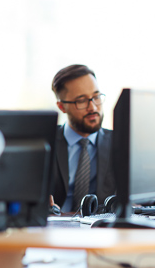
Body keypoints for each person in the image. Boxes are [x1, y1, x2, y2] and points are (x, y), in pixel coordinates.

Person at [49, 64, 116, 213]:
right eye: (81, 101)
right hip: (55, 229)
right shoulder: (46, 143)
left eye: (96, 97)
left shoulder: (120, 143)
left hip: (101, 230)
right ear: (62, 107)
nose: (92, 107)